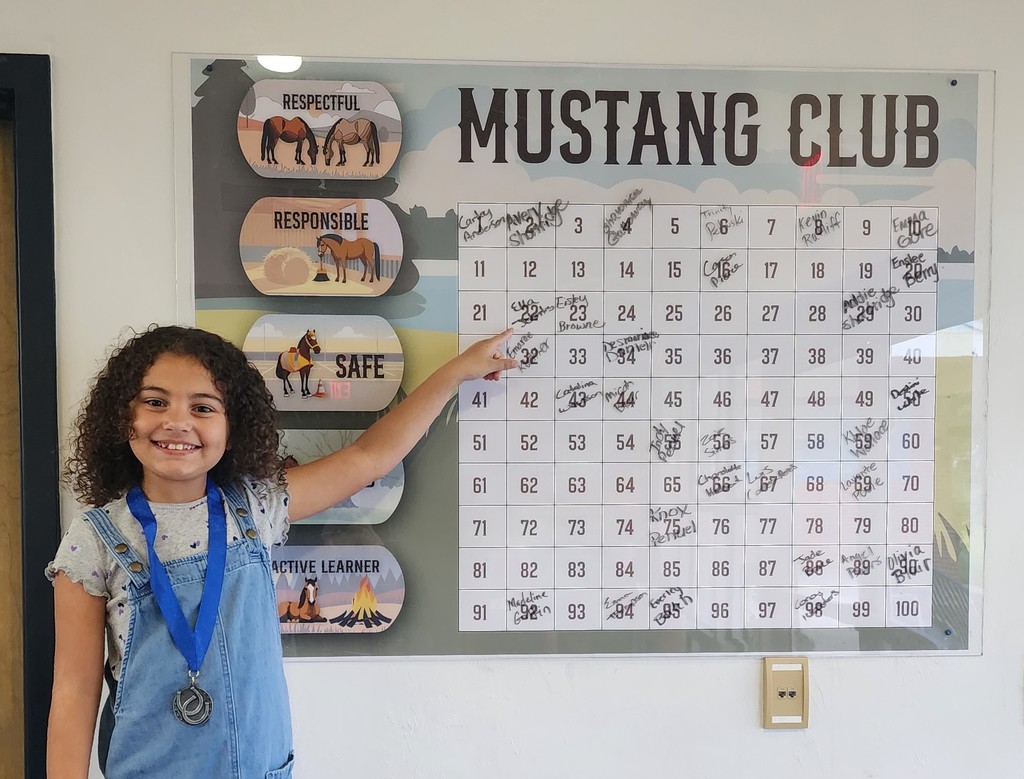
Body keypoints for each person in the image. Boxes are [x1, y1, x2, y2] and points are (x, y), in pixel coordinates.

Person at [46, 324, 516, 779]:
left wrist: (455, 372)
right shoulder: (94, 539)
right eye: (155, 401)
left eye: (204, 407)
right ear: (120, 417)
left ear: (234, 427)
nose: (177, 421)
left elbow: (368, 458)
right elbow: (72, 692)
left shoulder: (257, 508)